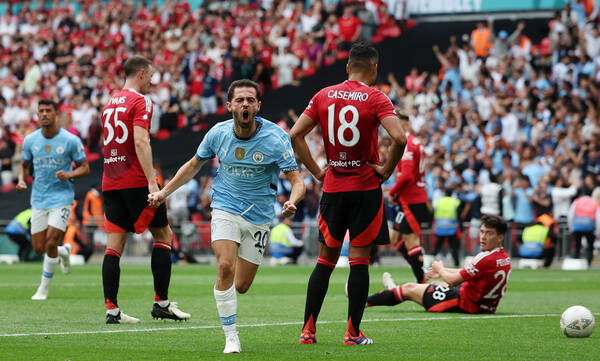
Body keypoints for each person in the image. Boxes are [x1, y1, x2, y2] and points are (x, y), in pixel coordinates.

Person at [148, 79, 305, 353]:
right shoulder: (218, 133)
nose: (245, 104)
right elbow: (192, 166)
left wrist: (292, 201)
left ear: (258, 106)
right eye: (240, 100)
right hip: (225, 207)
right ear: (229, 105)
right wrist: (163, 193)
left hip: (259, 215)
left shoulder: (276, 137)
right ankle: (231, 336)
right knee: (224, 267)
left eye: (250, 100)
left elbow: (297, 180)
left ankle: (228, 298)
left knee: (242, 285)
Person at [289, 41, 406, 345]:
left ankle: (308, 331)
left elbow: (295, 134)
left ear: (347, 67)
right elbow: (400, 138)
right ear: (374, 68)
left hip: (333, 188)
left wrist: (316, 170)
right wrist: (387, 170)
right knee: (359, 261)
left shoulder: (324, 95)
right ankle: (352, 333)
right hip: (365, 187)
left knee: (325, 261)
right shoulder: (376, 97)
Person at [101, 55, 190, 325]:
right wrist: (153, 182)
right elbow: (141, 141)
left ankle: (112, 309)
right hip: (136, 179)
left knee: (113, 246)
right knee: (164, 234)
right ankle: (161, 304)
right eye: (151, 75)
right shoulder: (141, 101)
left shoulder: (109, 103)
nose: (153, 80)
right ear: (140, 73)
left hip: (110, 180)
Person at [17, 99, 90, 300]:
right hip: (39, 198)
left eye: (48, 110)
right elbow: (23, 165)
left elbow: (85, 167)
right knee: (39, 248)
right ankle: (64, 252)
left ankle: (43, 289)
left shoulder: (70, 140)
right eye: (41, 111)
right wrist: (22, 181)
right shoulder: (31, 140)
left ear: (56, 114)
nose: (44, 114)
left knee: (50, 241)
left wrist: (69, 175)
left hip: (62, 196)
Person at [366, 215, 511, 314]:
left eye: (489, 233)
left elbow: (453, 280)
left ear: (500, 237)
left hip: (464, 304)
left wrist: (440, 268)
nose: (483, 237)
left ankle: (364, 302)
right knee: (437, 284)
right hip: (486, 307)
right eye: (482, 232)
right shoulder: (503, 257)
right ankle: (392, 292)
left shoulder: (485, 257)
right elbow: (468, 272)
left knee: (409, 288)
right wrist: (443, 271)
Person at [388, 111, 431, 284]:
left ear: (403, 124)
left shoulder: (406, 143)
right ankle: (419, 271)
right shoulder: (415, 142)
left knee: (410, 239)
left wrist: (392, 192)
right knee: (395, 238)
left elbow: (407, 176)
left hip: (412, 199)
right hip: (411, 198)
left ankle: (422, 280)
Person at [567, 189, 600, 266]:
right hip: (589, 226)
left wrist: (571, 227)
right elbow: (598, 219)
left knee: (577, 245)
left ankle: (575, 262)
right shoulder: (595, 203)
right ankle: (588, 263)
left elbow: (570, 215)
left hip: (577, 225)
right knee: (590, 246)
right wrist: (597, 233)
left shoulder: (577, 201)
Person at [432, 188, 461, 266]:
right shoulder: (455, 202)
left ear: (444, 193)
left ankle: (430, 261)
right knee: (453, 247)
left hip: (440, 228)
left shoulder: (438, 202)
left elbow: (433, 212)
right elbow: (459, 215)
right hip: (451, 228)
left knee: (437, 246)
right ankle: (456, 263)